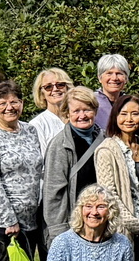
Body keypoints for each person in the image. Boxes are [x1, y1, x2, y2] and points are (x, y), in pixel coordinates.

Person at [0, 79, 47, 261]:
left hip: (31, 220)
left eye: (14, 102)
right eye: (2, 103)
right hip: (2, 224)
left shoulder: (30, 130)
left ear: (22, 103)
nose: (9, 107)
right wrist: (8, 220)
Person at [93, 94, 139, 253]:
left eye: (135, 113)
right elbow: (109, 195)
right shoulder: (106, 150)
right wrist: (136, 225)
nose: (129, 119)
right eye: (123, 114)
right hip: (120, 231)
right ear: (115, 116)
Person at [41, 86, 107, 239]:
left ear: (95, 111)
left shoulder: (105, 139)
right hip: (74, 224)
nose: (82, 115)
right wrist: (58, 231)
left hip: (102, 220)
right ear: (67, 113)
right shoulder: (60, 145)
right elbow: (53, 192)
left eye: (87, 110)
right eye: (76, 111)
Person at [28, 68, 74, 148]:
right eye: (48, 87)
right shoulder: (37, 124)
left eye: (60, 85)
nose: (55, 89)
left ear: (67, 88)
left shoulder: (79, 117)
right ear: (42, 93)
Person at [95, 54, 132, 137]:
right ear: (100, 78)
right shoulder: (91, 102)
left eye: (119, 73)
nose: (114, 78)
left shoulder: (131, 103)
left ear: (126, 78)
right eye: (109, 73)